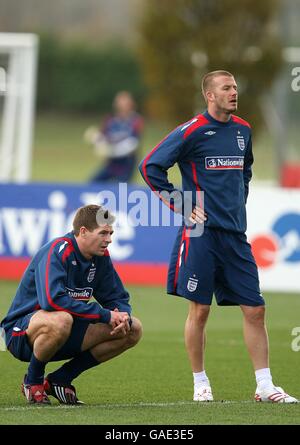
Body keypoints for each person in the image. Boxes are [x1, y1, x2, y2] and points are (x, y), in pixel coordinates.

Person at [139, 70, 298, 403]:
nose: (233, 92)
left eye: (235, 87)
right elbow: (151, 165)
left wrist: (237, 200)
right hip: (201, 235)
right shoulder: (192, 131)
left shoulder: (243, 130)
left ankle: (265, 386)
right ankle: (200, 383)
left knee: (255, 309)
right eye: (226, 88)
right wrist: (180, 204)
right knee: (199, 311)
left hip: (235, 236)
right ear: (209, 95)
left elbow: (246, 170)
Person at [0, 204, 142, 405]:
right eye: (103, 233)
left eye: (111, 233)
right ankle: (33, 382)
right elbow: (52, 301)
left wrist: (123, 315)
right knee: (61, 319)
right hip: (19, 333)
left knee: (132, 328)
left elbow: (117, 297)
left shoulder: (100, 258)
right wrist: (105, 315)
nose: (109, 240)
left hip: (64, 331)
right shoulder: (57, 251)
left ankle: (61, 379)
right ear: (83, 232)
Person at [87, 91, 144, 183]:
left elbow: (133, 144)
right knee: (93, 183)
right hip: (111, 163)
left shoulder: (136, 120)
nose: (122, 106)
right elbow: (103, 138)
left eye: (125, 103)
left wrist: (111, 151)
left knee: (120, 189)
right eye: (120, 102)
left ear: (131, 104)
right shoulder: (110, 120)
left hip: (127, 163)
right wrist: (95, 139)